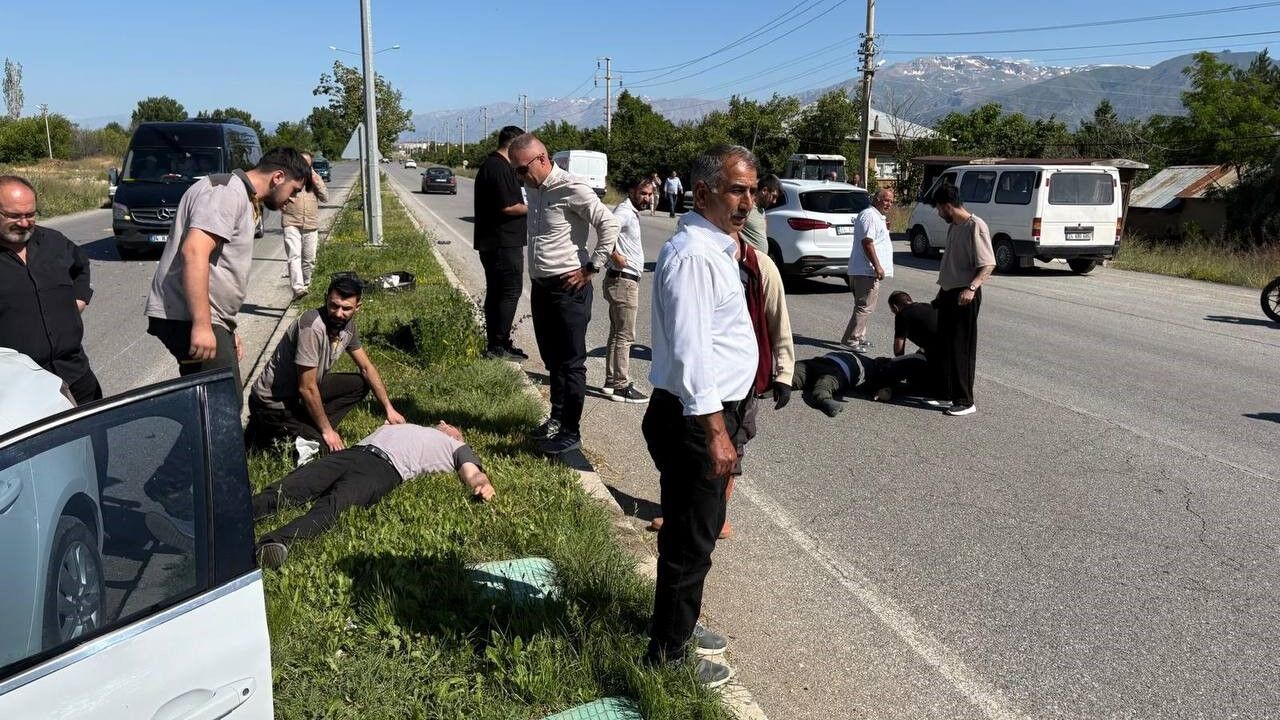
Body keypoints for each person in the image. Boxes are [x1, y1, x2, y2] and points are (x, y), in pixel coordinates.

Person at [643, 143, 761, 688]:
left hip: (707, 414)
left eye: (752, 191)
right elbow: (691, 353)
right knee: (690, 543)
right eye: (736, 190)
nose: (747, 203)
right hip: (696, 420)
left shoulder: (717, 247)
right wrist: (716, 433)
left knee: (698, 533)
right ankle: (668, 657)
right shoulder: (693, 256)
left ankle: (677, 628)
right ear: (702, 192)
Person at [144, 147, 311, 392]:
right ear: (278, 177)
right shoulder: (226, 193)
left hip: (207, 317)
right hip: (188, 317)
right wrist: (203, 325)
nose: (294, 198)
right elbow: (194, 251)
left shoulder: (241, 195)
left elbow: (218, 267)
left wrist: (227, 329)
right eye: (294, 190)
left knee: (215, 400)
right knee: (222, 401)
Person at [508, 133, 619, 455]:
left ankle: (571, 431)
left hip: (569, 288)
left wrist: (591, 267)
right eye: (515, 171)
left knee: (571, 363)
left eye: (522, 170)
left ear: (542, 159)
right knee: (553, 360)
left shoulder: (572, 187)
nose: (520, 177)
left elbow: (609, 224)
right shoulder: (534, 187)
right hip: (542, 287)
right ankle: (556, 419)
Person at [253, 421, 495, 568]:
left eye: (452, 427)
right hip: (352, 453)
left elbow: (473, 472)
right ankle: (240, 514)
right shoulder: (403, 425)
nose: (445, 424)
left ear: (456, 435)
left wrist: (482, 484)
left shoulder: (455, 446)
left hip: (385, 468)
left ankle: (274, 543)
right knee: (290, 488)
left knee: (335, 506)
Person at [245, 275, 405, 454]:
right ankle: (267, 435)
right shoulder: (312, 327)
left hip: (299, 396)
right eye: (334, 305)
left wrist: (389, 409)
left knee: (360, 384)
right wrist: (327, 431)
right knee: (321, 449)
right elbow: (306, 388)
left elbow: (366, 368)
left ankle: (310, 426)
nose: (338, 313)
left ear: (358, 307)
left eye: (346, 308)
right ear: (325, 299)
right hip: (274, 404)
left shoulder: (347, 326)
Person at [0, 175, 102, 404]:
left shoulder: (52, 241)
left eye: (30, 214)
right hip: (18, 390)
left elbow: (81, 266)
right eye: (14, 216)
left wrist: (79, 299)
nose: (24, 223)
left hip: (75, 373)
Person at [929, 183, 994, 417]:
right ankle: (947, 393)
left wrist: (972, 288)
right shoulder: (954, 227)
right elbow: (950, 264)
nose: (938, 213)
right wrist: (941, 293)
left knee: (961, 348)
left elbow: (988, 264)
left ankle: (965, 401)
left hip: (965, 295)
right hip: (948, 292)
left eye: (939, 209)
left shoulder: (975, 226)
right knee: (945, 345)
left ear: (948, 206)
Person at [473, 125, 529, 360]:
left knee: (498, 292)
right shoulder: (498, 167)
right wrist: (534, 208)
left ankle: (498, 342)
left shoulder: (495, 165)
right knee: (509, 291)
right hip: (502, 243)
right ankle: (498, 345)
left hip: (497, 242)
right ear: (513, 145)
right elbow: (508, 206)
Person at [603, 177, 654, 403]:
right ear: (632, 191)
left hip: (621, 280)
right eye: (643, 193)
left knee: (617, 333)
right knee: (625, 335)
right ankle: (621, 386)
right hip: (624, 281)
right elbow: (606, 228)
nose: (647, 198)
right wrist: (614, 255)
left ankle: (611, 382)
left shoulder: (629, 212)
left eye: (650, 194)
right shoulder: (624, 212)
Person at [791, 351, 930, 416]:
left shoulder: (881, 368)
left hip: (829, 360)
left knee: (793, 374)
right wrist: (885, 391)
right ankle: (823, 399)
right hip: (842, 367)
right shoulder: (881, 371)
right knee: (824, 384)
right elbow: (910, 361)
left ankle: (780, 383)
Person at [841, 188, 895, 352]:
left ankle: (860, 336)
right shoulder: (870, 215)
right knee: (864, 306)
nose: (889, 204)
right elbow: (867, 242)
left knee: (866, 306)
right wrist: (877, 265)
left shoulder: (876, 217)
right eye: (886, 200)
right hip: (866, 270)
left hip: (867, 270)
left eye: (891, 201)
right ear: (877, 199)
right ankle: (851, 340)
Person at [281, 151, 328, 300]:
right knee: (294, 255)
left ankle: (306, 284)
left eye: (307, 164)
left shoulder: (314, 179)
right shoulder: (288, 178)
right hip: (291, 222)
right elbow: (277, 195)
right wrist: (284, 202)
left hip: (311, 224)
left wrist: (314, 176)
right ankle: (298, 288)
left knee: (309, 259)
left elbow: (325, 197)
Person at [737, 173, 781, 255]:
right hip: (746, 259)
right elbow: (732, 231)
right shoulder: (746, 207)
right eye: (773, 196)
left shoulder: (761, 210)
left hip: (759, 260)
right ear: (764, 190)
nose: (774, 201)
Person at [887, 290, 938, 358]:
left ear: (895, 307)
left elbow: (898, 348)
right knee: (921, 352)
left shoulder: (902, 315)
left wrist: (900, 361)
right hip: (951, 345)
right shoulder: (927, 305)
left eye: (892, 310)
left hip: (942, 354)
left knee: (917, 358)